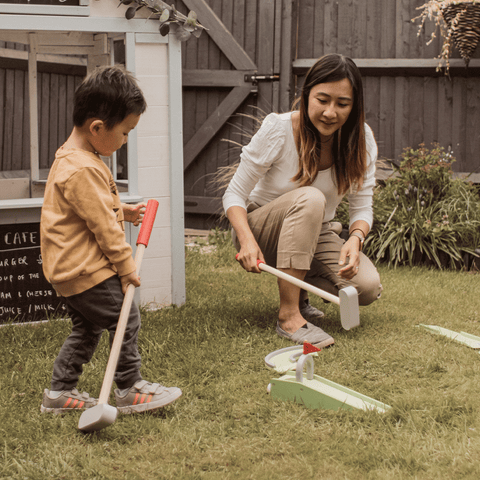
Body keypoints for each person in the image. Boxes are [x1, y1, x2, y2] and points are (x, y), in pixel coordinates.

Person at [40, 65, 182, 414]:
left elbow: (93, 207)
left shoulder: (72, 159)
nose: (125, 140)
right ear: (97, 127)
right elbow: (103, 227)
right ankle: (129, 387)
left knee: (87, 328)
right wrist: (126, 267)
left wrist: (124, 210)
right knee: (125, 316)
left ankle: (59, 394)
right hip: (87, 268)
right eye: (125, 132)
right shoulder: (85, 168)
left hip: (68, 270)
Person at [223, 54, 383, 349]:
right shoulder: (279, 129)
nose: (330, 112)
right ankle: (289, 316)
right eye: (322, 99)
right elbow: (234, 194)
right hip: (261, 229)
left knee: (366, 288)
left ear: (354, 105)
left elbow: (362, 207)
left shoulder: (362, 139)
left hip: (314, 229)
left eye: (342, 104)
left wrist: (355, 239)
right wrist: (246, 240)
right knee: (311, 197)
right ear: (307, 94)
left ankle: (301, 297)